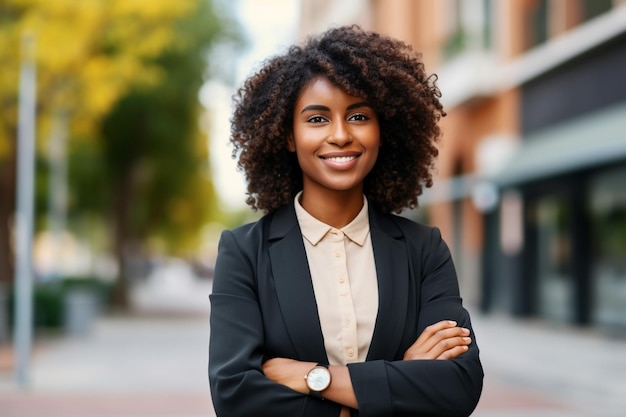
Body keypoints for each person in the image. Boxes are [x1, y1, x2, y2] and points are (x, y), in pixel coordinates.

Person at [208, 25, 483, 417]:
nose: (340, 135)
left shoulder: (424, 249)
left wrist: (312, 378)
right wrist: (398, 381)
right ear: (288, 136)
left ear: (382, 130)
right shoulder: (244, 253)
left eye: (358, 116)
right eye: (317, 119)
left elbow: (458, 386)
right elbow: (234, 396)